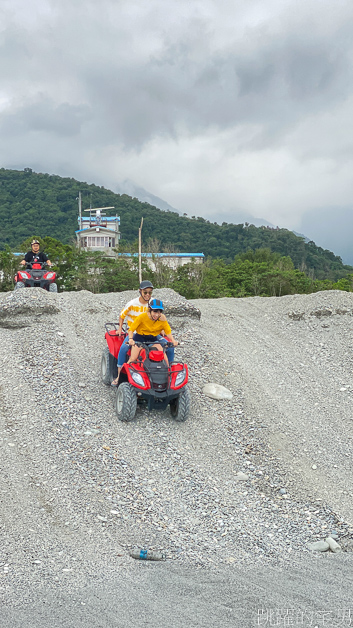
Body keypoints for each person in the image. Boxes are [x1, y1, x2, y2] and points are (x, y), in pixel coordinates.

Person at [111, 281, 174, 385]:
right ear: (140, 291)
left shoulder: (154, 303)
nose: (148, 295)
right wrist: (120, 328)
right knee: (123, 349)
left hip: (152, 334)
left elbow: (161, 320)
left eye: (150, 292)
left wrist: (162, 329)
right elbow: (122, 316)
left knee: (170, 347)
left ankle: (168, 374)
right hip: (136, 332)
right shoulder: (132, 304)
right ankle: (119, 377)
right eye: (145, 292)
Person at [126, 298, 178, 366]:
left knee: (164, 358)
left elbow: (168, 332)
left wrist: (173, 341)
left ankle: (168, 374)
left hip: (153, 339)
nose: (157, 315)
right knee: (133, 359)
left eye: (159, 312)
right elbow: (131, 329)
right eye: (155, 311)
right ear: (150, 310)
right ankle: (122, 374)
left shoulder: (162, 319)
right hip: (140, 339)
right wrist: (130, 339)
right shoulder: (142, 317)